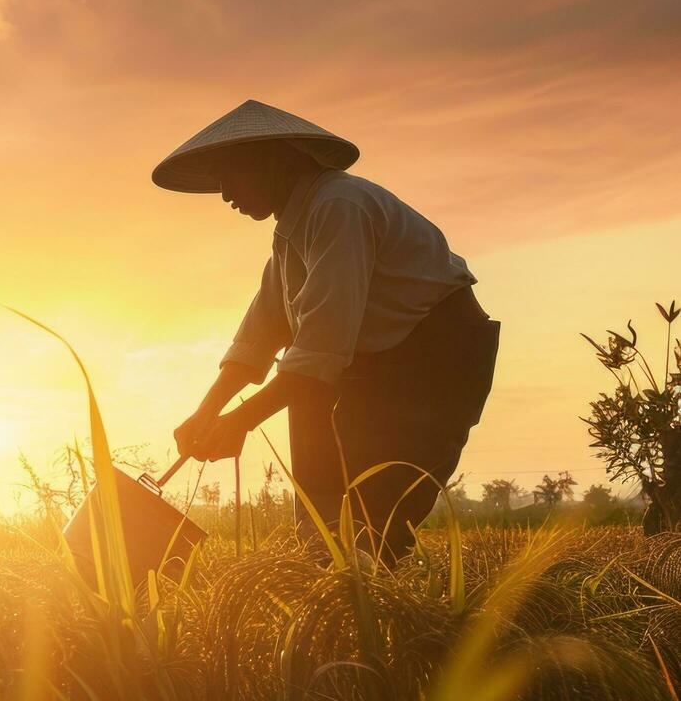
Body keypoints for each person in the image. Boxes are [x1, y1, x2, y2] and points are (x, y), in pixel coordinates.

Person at [160, 100, 499, 564]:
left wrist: (236, 423)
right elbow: (260, 335)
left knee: (376, 513)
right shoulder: (289, 237)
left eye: (230, 174)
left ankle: (372, 605)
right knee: (329, 513)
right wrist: (207, 413)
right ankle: (324, 570)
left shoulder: (339, 207)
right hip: (375, 369)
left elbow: (319, 353)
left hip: (435, 363)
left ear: (275, 161)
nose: (223, 194)